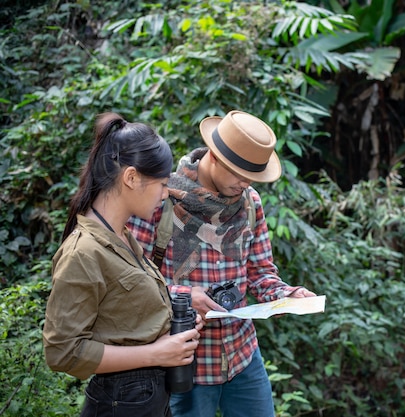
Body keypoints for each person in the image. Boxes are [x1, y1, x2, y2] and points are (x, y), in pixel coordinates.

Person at [126, 110, 316, 417]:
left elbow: (260, 271)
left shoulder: (250, 202)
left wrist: (285, 296)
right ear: (214, 156)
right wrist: (186, 297)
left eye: (251, 177)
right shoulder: (160, 199)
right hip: (185, 361)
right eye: (239, 174)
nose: (245, 184)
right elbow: (132, 281)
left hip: (242, 354)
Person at [43, 112, 202, 417]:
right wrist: (154, 353)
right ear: (131, 178)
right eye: (162, 184)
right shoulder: (84, 252)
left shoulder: (122, 236)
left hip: (147, 398)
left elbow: (125, 310)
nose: (165, 194)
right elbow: (62, 352)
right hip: (121, 402)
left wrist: (177, 318)